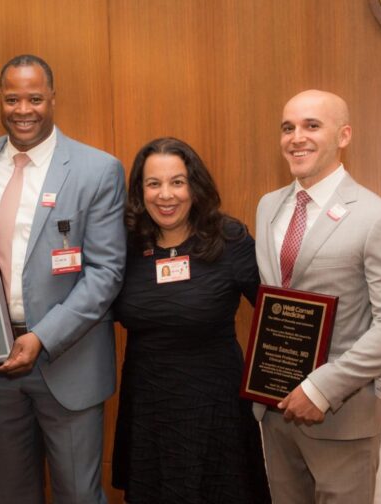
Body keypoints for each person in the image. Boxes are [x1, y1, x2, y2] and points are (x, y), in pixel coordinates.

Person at [0, 54, 126, 503]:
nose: (23, 110)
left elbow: (106, 272)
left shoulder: (97, 169)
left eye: (34, 98)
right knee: (9, 494)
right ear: (0, 100)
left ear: (53, 98)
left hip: (68, 360)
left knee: (78, 495)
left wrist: (43, 337)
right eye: (12, 99)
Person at [254, 89, 381, 503]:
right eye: (287, 127)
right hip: (275, 410)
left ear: (344, 136)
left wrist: (321, 389)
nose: (296, 138)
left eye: (312, 125)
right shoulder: (268, 207)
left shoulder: (378, 217)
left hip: (341, 419)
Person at [111, 137, 271, 503]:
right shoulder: (126, 245)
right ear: (140, 191)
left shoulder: (229, 240)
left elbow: (276, 314)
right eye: (153, 183)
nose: (165, 195)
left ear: (194, 186)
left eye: (177, 182)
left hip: (215, 407)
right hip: (148, 406)